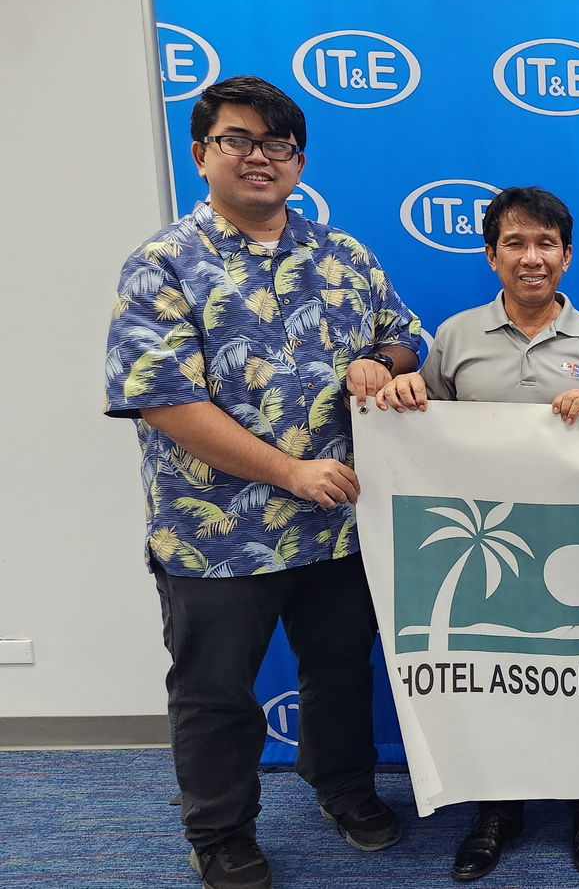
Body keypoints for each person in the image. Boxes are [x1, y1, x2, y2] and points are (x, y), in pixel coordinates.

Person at [103, 75, 421, 889]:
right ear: (201, 153)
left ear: (298, 161)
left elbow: (405, 337)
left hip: (339, 524)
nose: (259, 158)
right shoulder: (163, 263)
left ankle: (344, 788)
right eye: (238, 140)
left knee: (340, 671)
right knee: (214, 692)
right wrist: (289, 472)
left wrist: (378, 360)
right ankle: (220, 832)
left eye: (277, 144)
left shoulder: (343, 254)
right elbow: (162, 399)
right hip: (214, 531)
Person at [373, 186, 579, 881]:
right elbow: (421, 434)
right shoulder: (456, 337)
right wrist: (403, 396)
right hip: (484, 548)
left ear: (567, 256)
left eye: (546, 244)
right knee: (495, 675)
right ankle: (499, 806)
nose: (532, 257)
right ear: (491, 255)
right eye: (515, 243)